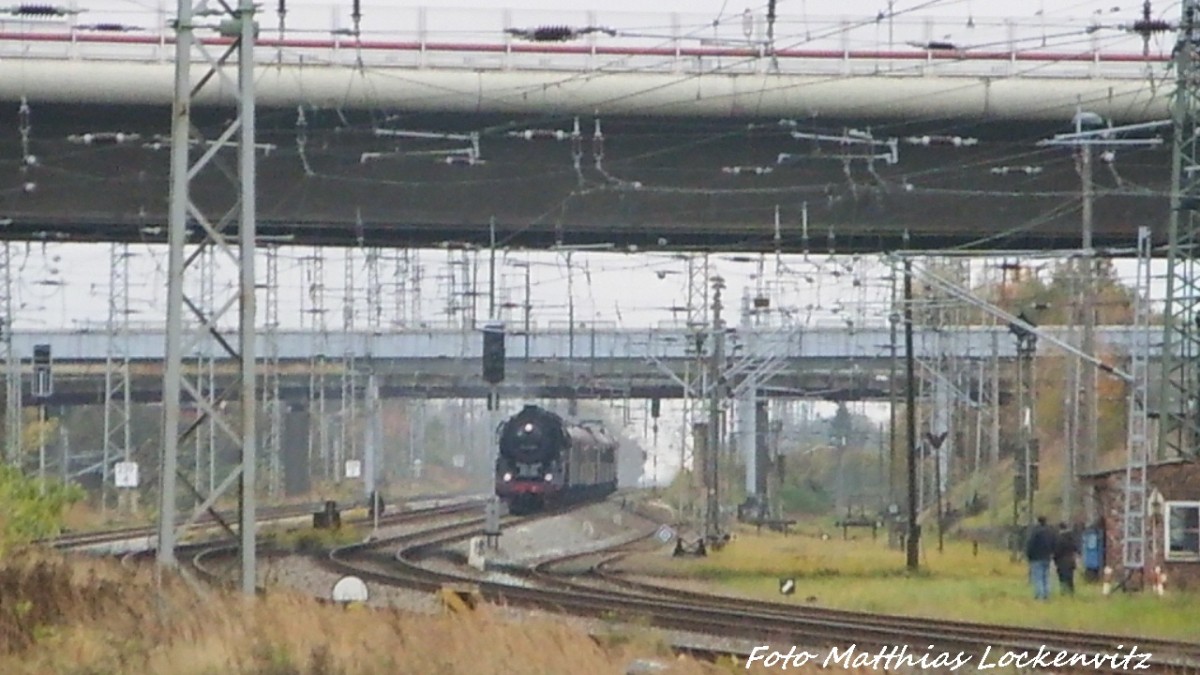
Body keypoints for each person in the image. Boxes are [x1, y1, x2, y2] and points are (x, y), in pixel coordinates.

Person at [1024, 516, 1056, 600]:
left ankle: (1039, 595)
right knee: (1046, 577)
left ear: (1038, 521)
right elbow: (1054, 543)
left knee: (1038, 577)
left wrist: (1028, 555)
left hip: (1036, 558)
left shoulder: (1035, 532)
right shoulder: (1051, 532)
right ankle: (1047, 594)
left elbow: (1030, 544)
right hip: (1047, 557)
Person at [1053, 522, 1079, 595]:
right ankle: (1071, 591)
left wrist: (1055, 559)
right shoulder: (1071, 537)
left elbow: (1057, 550)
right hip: (1071, 559)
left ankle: (1063, 592)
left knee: (1062, 577)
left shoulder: (1060, 539)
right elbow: (1076, 548)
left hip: (1062, 561)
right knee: (1070, 577)